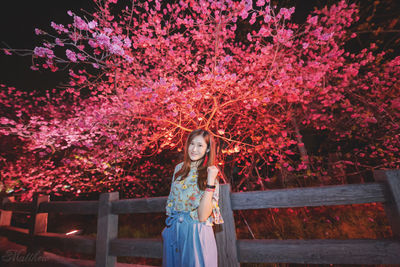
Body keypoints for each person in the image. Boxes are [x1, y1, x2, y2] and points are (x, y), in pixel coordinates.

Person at [162, 129, 224, 267]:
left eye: (200, 145)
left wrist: (210, 182)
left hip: (196, 233)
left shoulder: (210, 174)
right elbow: (173, 202)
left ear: (208, 149)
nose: (194, 149)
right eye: (192, 144)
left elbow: (202, 216)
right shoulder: (179, 169)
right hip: (175, 231)